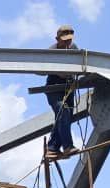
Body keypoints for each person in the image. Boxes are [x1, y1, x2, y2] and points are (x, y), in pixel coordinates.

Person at [44, 24, 81, 159]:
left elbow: (79, 66)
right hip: (53, 87)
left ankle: (52, 148)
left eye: (69, 39)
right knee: (62, 110)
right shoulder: (51, 51)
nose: (67, 42)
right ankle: (67, 146)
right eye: (64, 40)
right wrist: (57, 71)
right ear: (57, 39)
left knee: (65, 117)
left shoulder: (74, 49)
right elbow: (39, 70)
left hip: (68, 87)